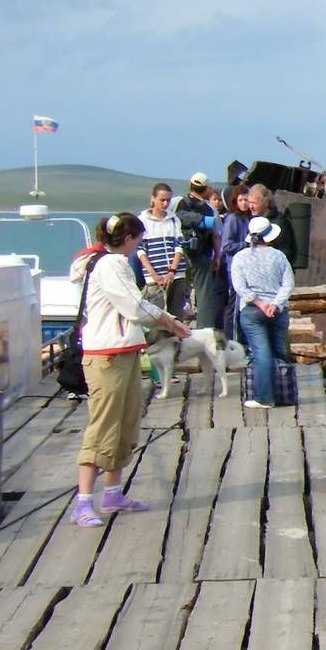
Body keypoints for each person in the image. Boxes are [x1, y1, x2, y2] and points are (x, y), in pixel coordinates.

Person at [67, 213, 192, 527]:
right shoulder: (111, 265)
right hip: (106, 355)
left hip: (124, 352)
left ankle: (112, 492)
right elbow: (134, 306)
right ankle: (83, 501)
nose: (140, 246)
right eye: (138, 240)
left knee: (125, 424)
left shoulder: (105, 262)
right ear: (127, 240)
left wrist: (165, 319)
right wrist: (169, 320)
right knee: (104, 426)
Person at [230, 216, 295, 409]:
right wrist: (274, 304)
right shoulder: (279, 256)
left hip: (252, 311)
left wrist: (259, 303)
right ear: (269, 237)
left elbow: (239, 287)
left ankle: (264, 397)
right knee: (279, 352)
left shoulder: (240, 257)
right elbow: (288, 284)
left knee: (261, 353)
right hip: (278, 310)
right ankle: (283, 391)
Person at [173, 172, 220, 328]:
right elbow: (215, 235)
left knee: (178, 293)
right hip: (201, 254)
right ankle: (204, 332)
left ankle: (175, 329)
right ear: (206, 189)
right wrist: (217, 257)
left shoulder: (178, 202)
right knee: (204, 295)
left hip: (179, 254)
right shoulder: (210, 208)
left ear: (190, 185)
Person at [137, 183, 191, 318]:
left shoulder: (173, 219)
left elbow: (179, 246)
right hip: (155, 275)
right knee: (156, 315)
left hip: (176, 274)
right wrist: (153, 274)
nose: (165, 203)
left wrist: (172, 270)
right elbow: (141, 250)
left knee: (176, 314)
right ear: (153, 199)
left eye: (168, 200)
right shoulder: (142, 220)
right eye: (162, 200)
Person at [218, 184, 254, 339]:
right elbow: (226, 245)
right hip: (235, 267)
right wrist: (245, 245)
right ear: (235, 201)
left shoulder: (250, 219)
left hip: (248, 267)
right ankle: (231, 339)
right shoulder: (232, 219)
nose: (244, 203)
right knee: (234, 306)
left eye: (247, 199)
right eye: (241, 200)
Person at [247, 183, 299, 266]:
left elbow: (286, 252)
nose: (251, 207)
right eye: (249, 203)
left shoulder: (280, 223)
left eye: (254, 203)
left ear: (266, 203)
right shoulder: (254, 221)